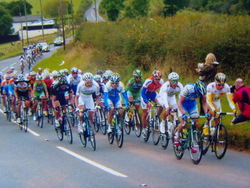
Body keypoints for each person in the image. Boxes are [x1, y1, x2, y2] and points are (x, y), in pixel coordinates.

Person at [174, 80, 208, 152]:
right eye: (198, 93)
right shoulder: (188, 88)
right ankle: (176, 136)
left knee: (196, 123)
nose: (199, 94)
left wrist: (206, 112)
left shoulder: (204, 91)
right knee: (183, 123)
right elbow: (180, 102)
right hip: (183, 104)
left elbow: (204, 102)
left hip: (192, 105)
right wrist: (183, 114)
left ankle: (192, 142)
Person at [141, 70, 164, 137]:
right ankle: (144, 129)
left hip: (153, 94)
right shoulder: (148, 81)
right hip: (145, 95)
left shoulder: (162, 82)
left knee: (161, 105)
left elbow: (163, 92)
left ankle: (156, 117)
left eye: (159, 79)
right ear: (153, 77)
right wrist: (147, 102)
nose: (157, 81)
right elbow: (142, 93)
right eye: (156, 79)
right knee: (145, 113)